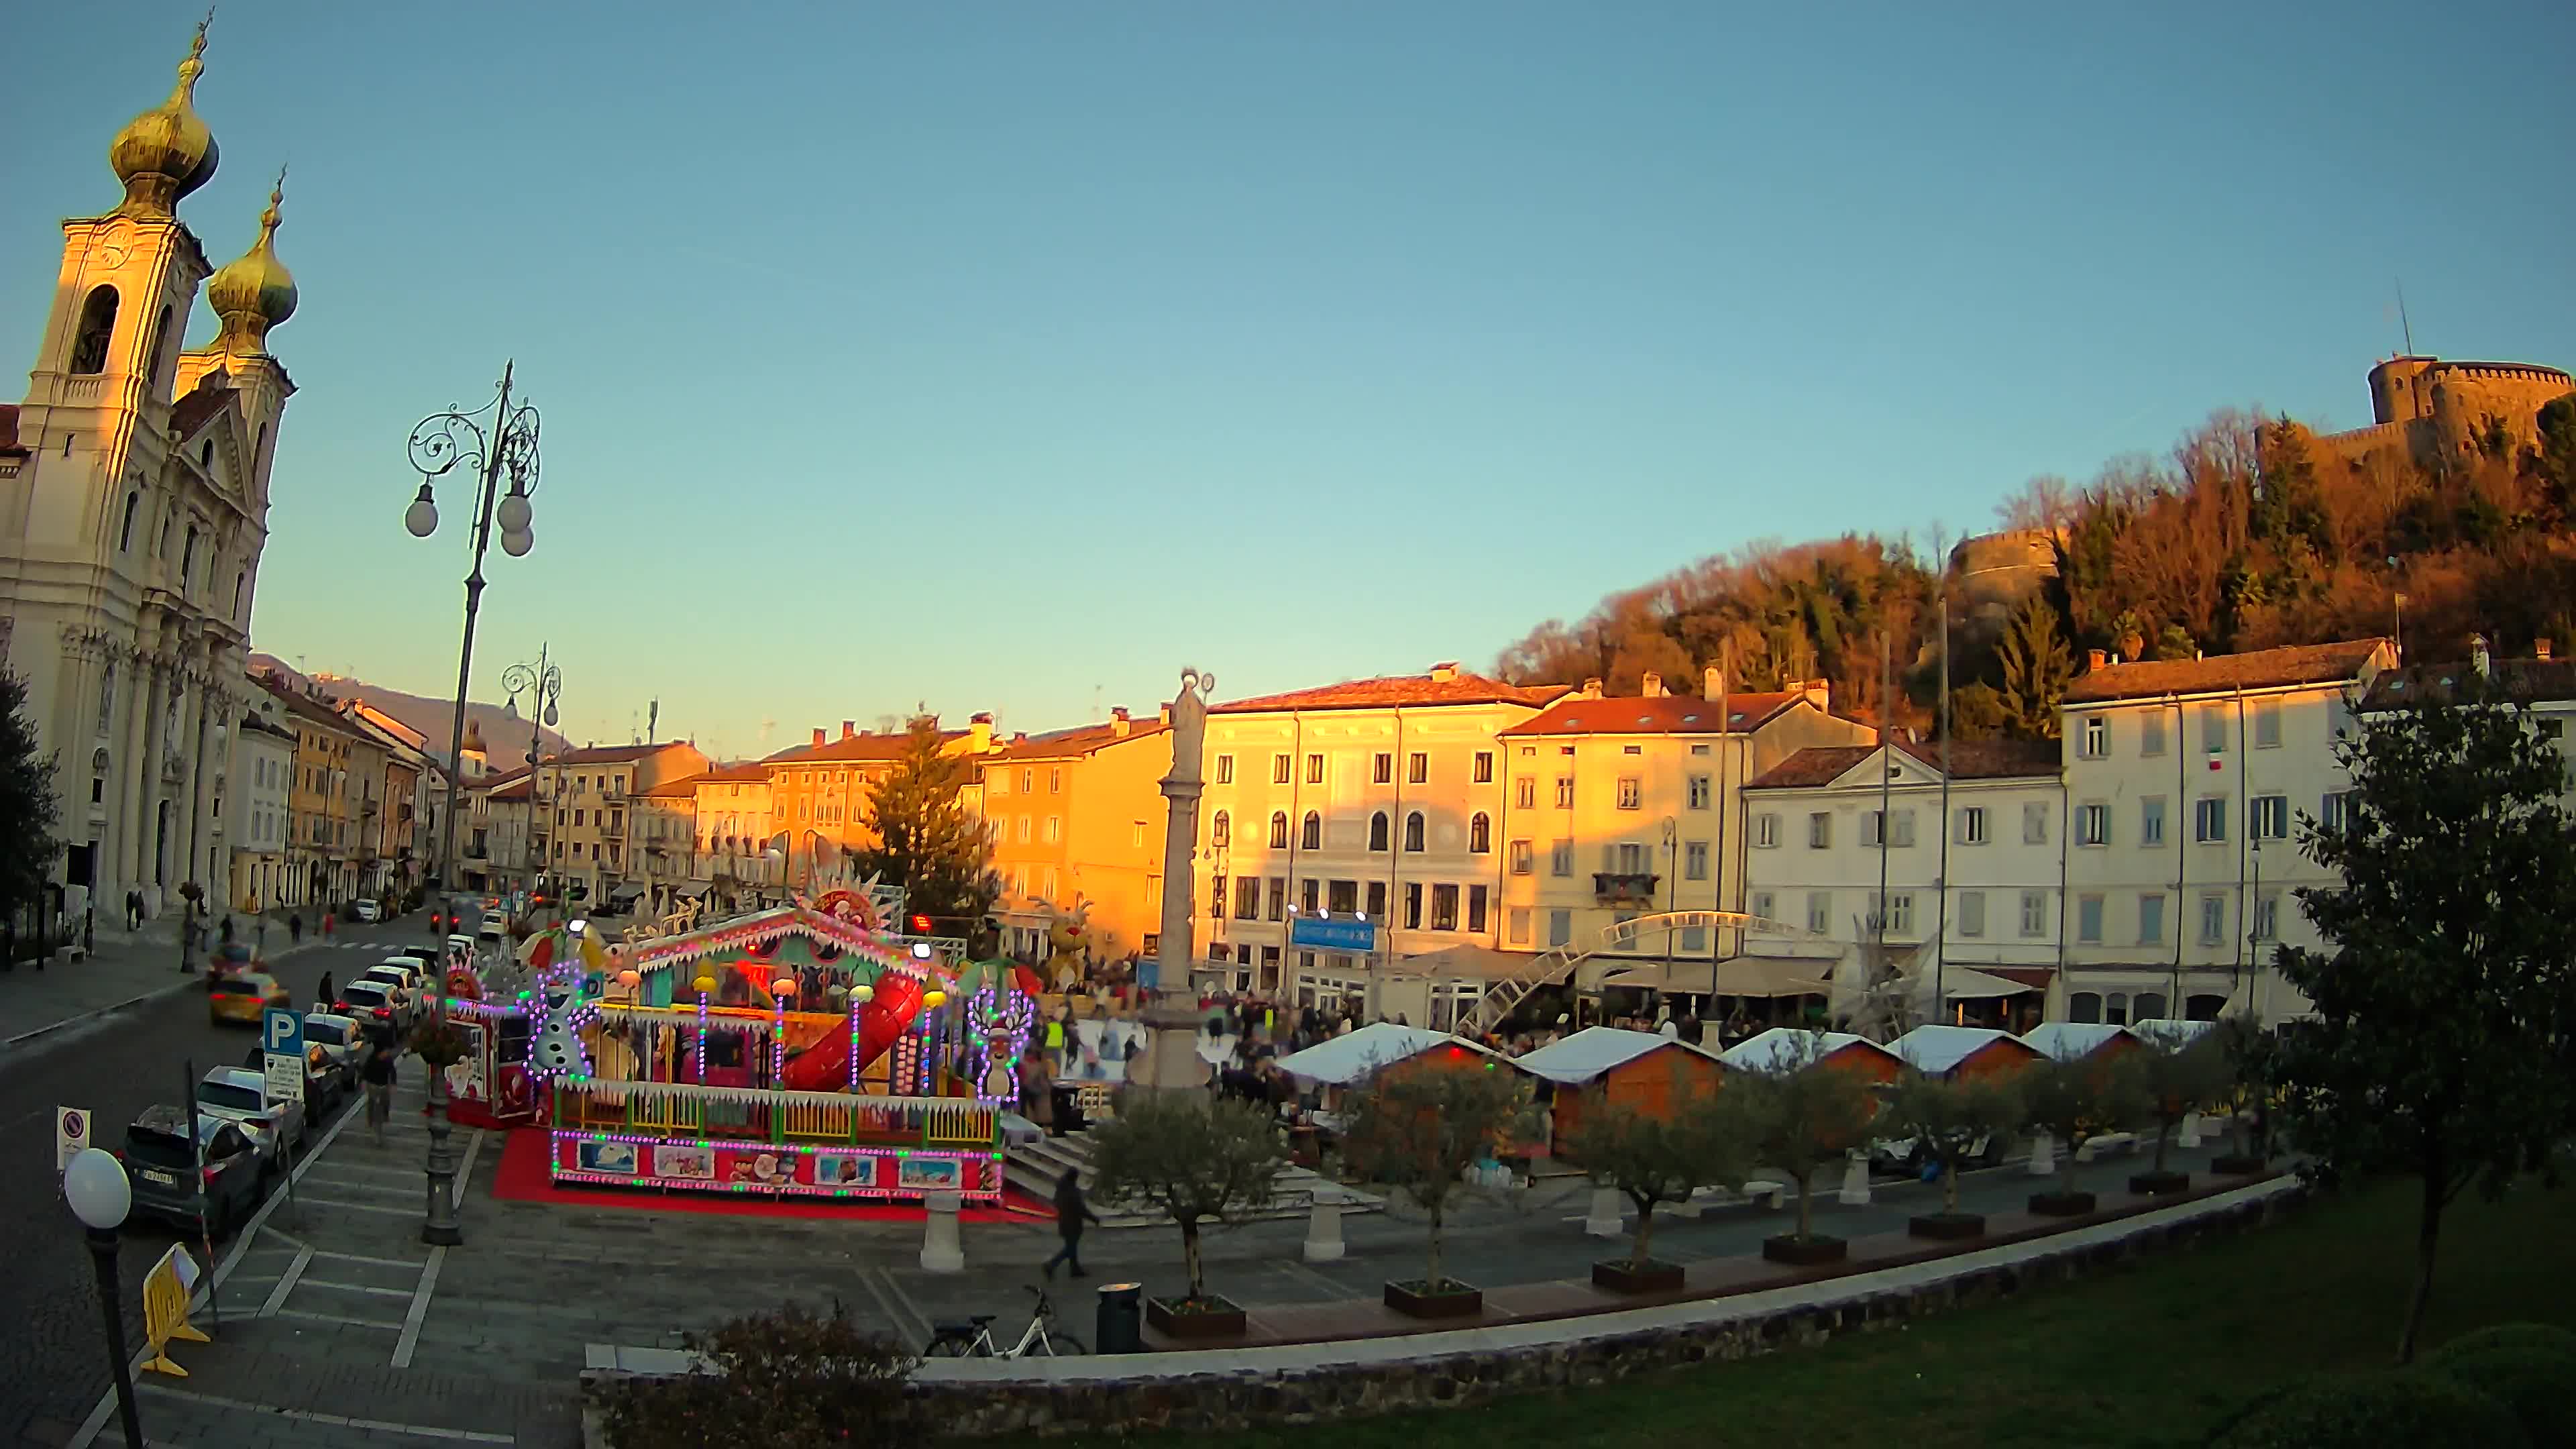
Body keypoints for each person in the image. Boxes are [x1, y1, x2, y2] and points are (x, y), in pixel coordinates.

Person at [1042, 1168, 1099, 1279]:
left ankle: (1074, 1269)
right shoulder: (1073, 1191)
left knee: (1071, 1247)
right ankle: (1050, 1265)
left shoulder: (1060, 1189)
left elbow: (1056, 1203)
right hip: (1073, 1224)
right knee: (1070, 1249)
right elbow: (1081, 1209)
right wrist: (1094, 1219)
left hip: (1064, 1222)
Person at [361, 1042, 398, 1146]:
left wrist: (394, 1084)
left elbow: (392, 1071)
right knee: (373, 1104)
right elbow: (365, 1072)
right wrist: (364, 1082)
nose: (387, 1053)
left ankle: (385, 1114)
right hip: (373, 1086)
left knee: (386, 1102)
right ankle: (372, 1121)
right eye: (385, 1052)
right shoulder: (372, 1059)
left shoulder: (388, 1060)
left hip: (384, 1086)